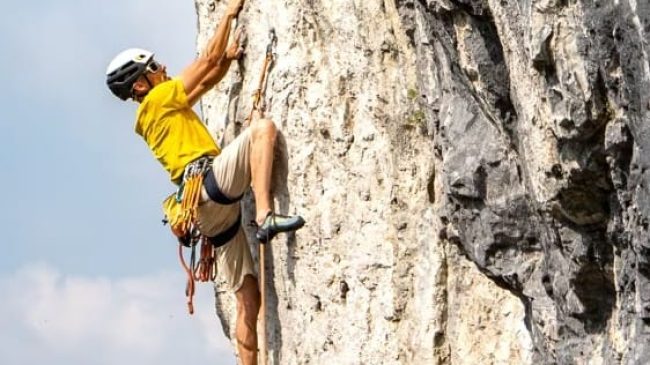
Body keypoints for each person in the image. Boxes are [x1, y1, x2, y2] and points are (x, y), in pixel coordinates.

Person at [104, 0, 304, 363]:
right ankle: (264, 215)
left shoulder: (158, 111)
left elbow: (207, 79)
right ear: (139, 86)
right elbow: (205, 65)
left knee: (247, 299)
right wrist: (229, 12)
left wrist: (227, 58)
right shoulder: (158, 100)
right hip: (210, 186)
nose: (162, 68)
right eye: (153, 67)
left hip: (206, 214)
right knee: (262, 130)